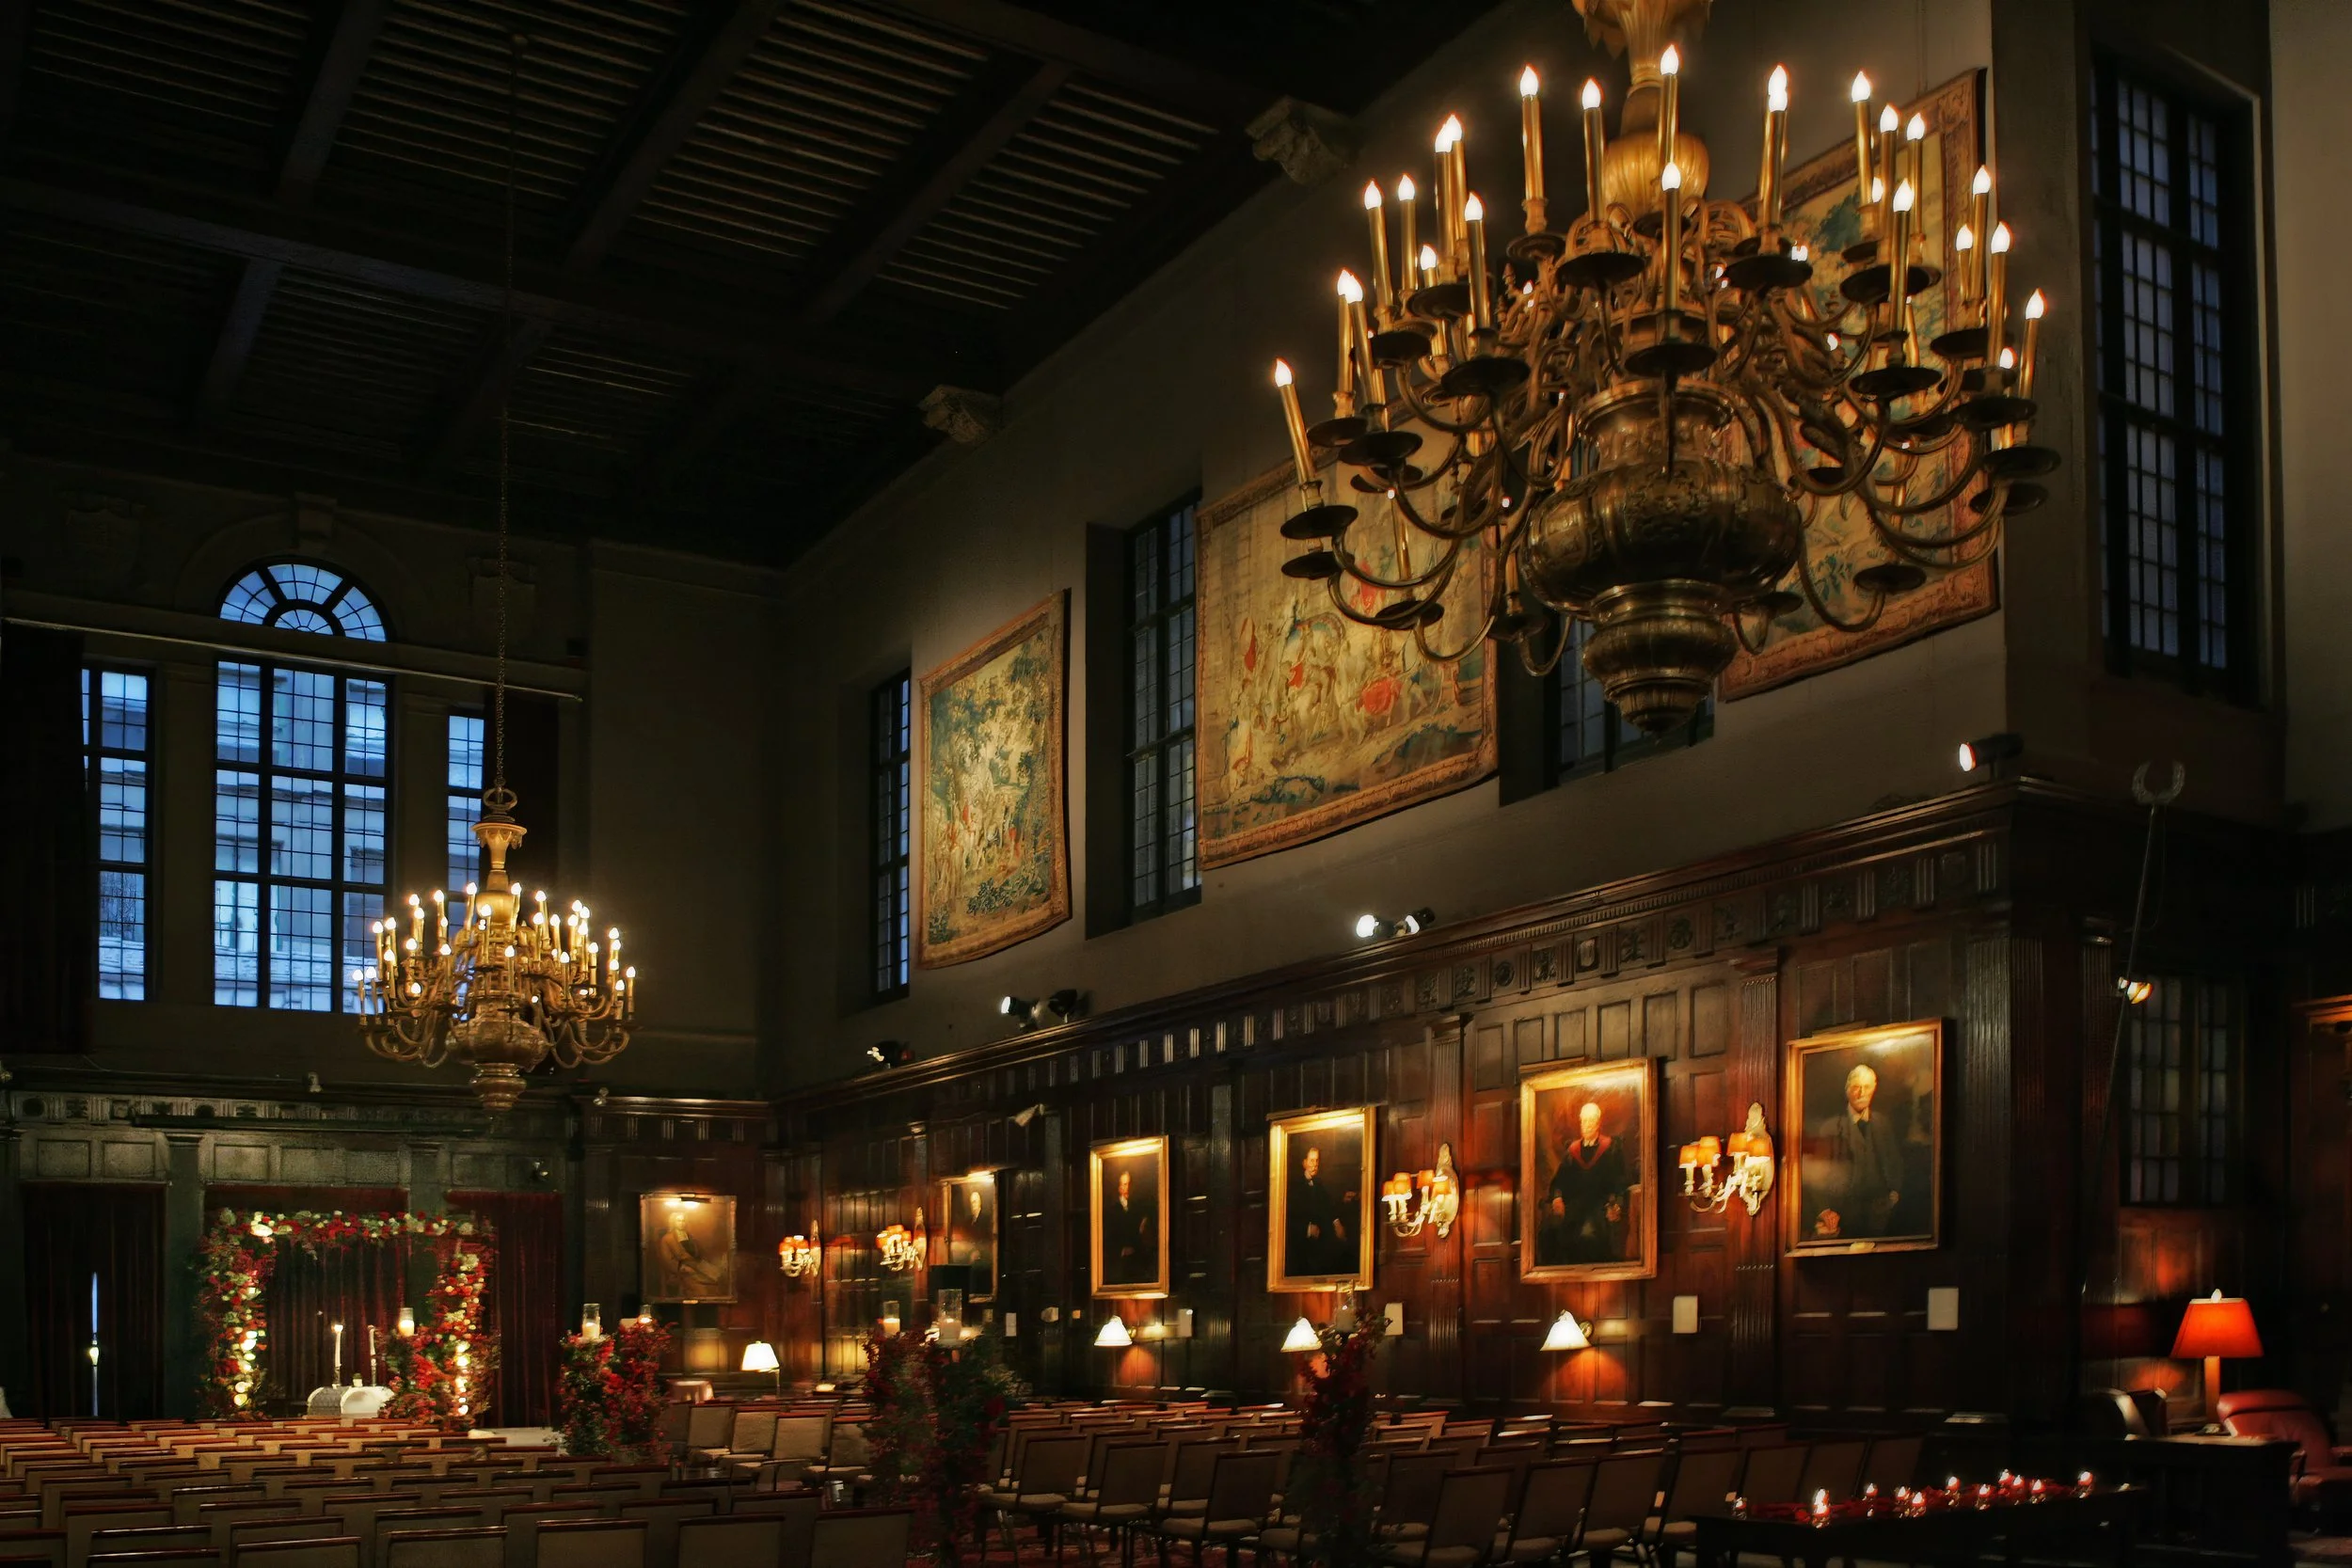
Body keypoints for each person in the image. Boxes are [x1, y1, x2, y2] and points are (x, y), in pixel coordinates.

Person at [1807, 1061, 1912, 1240]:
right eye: (1856, 1087)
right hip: (1842, 1215)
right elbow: (1815, 1172)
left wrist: (1895, 1191)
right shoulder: (1831, 1127)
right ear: (1847, 1090)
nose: (1861, 1093)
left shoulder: (1883, 1123)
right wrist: (1824, 1210)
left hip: (1880, 1214)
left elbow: (1894, 1162)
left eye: (1866, 1087)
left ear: (1874, 1089)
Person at [1541, 1101, 1631, 1265]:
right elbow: (1559, 1181)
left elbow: (1620, 1182)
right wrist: (1557, 1198)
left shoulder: (1611, 1148)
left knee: (1588, 1236)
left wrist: (1617, 1205)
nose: (1587, 1125)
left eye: (1591, 1121)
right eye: (1584, 1121)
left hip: (1600, 1207)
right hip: (1574, 1208)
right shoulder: (1572, 1150)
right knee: (1548, 1236)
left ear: (1598, 1123)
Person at [1287, 1144, 1355, 1278]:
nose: (1315, 1164)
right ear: (1304, 1163)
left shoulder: (1319, 1183)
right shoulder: (1294, 1186)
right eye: (1312, 1161)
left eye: (1317, 1161)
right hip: (1301, 1245)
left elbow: (1328, 1206)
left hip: (1321, 1240)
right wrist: (1307, 1229)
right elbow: (1288, 1219)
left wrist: (1336, 1223)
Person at [1100, 1167, 1156, 1286]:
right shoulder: (1112, 1210)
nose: (1128, 1187)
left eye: (1129, 1184)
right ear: (1119, 1187)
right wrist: (1122, 1251)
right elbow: (1107, 1238)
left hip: (1137, 1262)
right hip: (1119, 1265)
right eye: (1125, 1184)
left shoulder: (1137, 1207)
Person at [655, 1209, 725, 1299]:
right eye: (679, 1220)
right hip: (681, 1271)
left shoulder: (689, 1236)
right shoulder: (667, 1239)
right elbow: (667, 1260)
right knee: (702, 1291)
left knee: (718, 1277)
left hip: (696, 1265)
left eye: (683, 1220)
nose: (681, 1223)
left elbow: (697, 1253)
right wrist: (683, 1268)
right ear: (673, 1222)